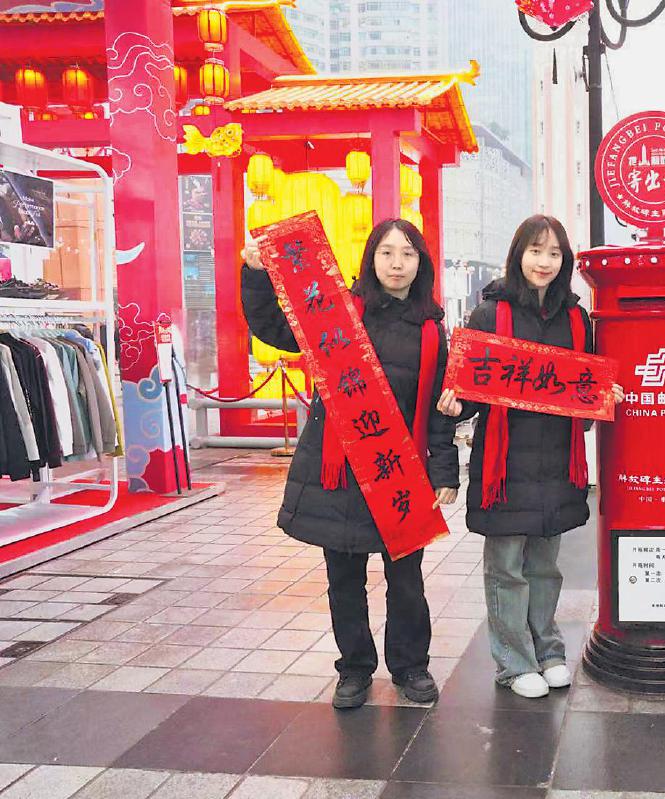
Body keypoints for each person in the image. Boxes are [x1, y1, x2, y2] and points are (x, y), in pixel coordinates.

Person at [241, 219, 459, 710]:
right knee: (344, 580)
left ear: (421, 263)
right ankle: (355, 669)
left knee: (407, 582)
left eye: (408, 254)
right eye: (387, 253)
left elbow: (439, 411)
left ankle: (410, 666)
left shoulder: (432, 330)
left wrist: (444, 472)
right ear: (371, 259)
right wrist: (255, 274)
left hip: (399, 473)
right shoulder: (338, 313)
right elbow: (274, 328)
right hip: (340, 474)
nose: (397, 264)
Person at [437, 214, 622, 699]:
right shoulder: (488, 315)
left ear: (566, 261)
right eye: (536, 251)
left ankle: (549, 651)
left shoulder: (577, 319)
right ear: (519, 255)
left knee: (545, 567)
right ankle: (514, 662)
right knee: (506, 568)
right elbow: (472, 391)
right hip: (505, 464)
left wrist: (603, 394)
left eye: (555, 253)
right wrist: (457, 402)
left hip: (557, 462)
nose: (545, 261)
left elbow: (584, 386)